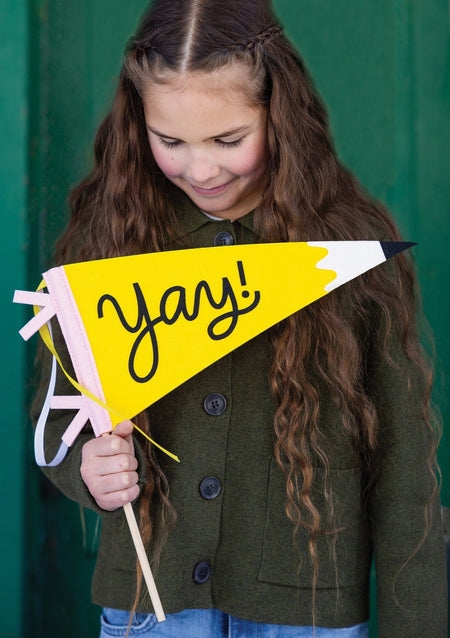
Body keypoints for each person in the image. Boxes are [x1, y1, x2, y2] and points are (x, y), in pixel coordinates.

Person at [33, 0, 447, 636]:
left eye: (228, 140)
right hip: (153, 608)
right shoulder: (110, 238)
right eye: (170, 141)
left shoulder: (352, 246)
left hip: (309, 614)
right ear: (139, 122)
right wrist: (87, 469)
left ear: (278, 113)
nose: (201, 169)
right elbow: (59, 418)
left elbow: (404, 471)